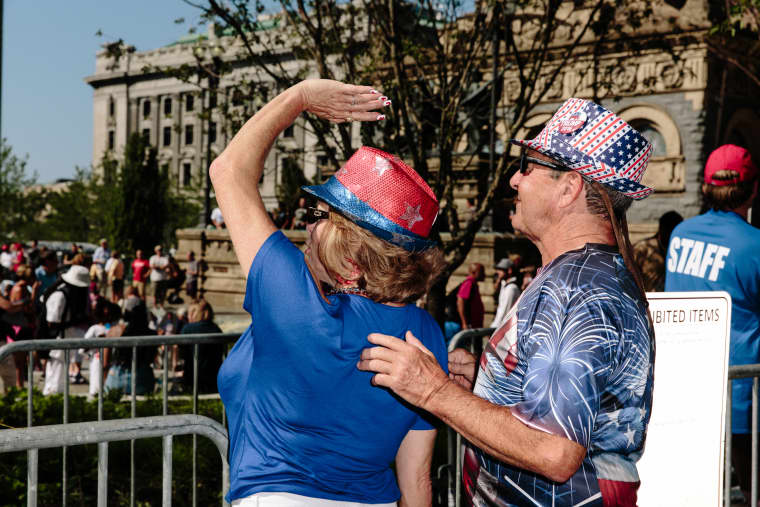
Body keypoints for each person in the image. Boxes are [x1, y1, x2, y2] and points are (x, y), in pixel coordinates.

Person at [359, 98, 656, 506]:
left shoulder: (580, 289)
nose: (514, 180)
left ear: (569, 187)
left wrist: (433, 390)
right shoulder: (578, 275)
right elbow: (547, 411)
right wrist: (482, 386)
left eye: (527, 166)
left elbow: (553, 451)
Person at [211, 79, 447, 506]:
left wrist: (298, 97)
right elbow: (417, 482)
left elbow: (228, 170)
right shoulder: (426, 335)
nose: (306, 225)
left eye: (318, 215)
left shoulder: (296, 301)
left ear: (350, 245)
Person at [664, 143, 759, 499]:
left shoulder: (679, 235)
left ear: (706, 187)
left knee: (695, 492)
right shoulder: (755, 245)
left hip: (688, 389)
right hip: (743, 398)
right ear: (753, 188)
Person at [41, 265, 91, 395]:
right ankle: (52, 396)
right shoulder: (60, 295)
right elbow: (52, 322)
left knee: (61, 372)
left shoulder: (70, 295)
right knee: (55, 374)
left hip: (65, 338)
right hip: (57, 339)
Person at [103, 298, 156, 395]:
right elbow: (150, 359)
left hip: (116, 378)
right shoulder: (151, 334)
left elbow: (105, 362)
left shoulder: (115, 331)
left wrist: (105, 380)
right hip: (142, 379)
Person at [178, 299, 223, 393]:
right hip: (213, 378)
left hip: (193, 377)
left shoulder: (188, 329)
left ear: (193, 313)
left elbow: (181, 352)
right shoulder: (216, 329)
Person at [633, 210, 683, 292]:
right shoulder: (643, 249)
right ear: (662, 229)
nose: (672, 233)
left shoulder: (681, 250)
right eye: (669, 229)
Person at [490, 257, 520, 329]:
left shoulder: (511, 288)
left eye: (500, 269)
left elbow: (504, 312)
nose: (497, 272)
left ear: (509, 270)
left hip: (504, 329)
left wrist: (493, 328)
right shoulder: (505, 286)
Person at [457, 263, 485, 330]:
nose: (484, 274)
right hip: (470, 326)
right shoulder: (469, 283)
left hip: (475, 326)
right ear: (474, 272)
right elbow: (460, 301)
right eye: (482, 272)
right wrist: (464, 323)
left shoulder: (473, 284)